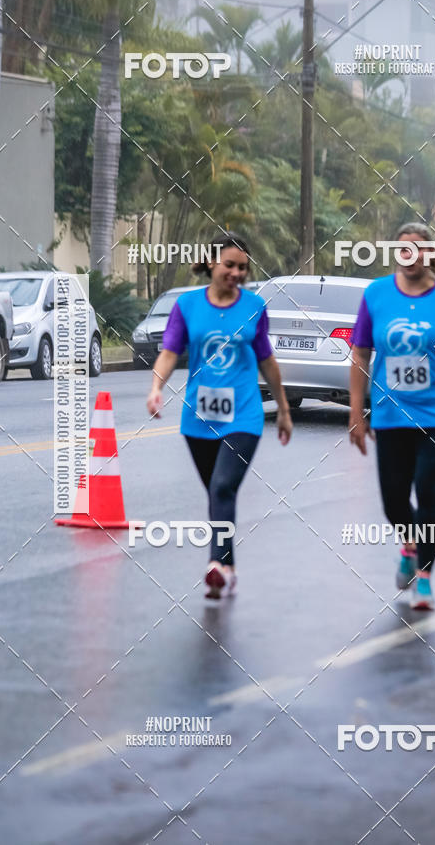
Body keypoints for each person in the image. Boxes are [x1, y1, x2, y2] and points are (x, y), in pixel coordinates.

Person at [146, 232, 293, 598]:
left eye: (243, 267)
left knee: (223, 486)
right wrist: (156, 388)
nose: (236, 273)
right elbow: (169, 352)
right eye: (229, 265)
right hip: (198, 417)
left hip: (243, 415)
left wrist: (285, 409)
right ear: (212, 263)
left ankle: (216, 564)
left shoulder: (254, 307)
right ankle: (228, 566)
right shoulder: (188, 305)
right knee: (216, 494)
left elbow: (267, 361)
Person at [348, 222, 435, 610]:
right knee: (393, 499)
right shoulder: (376, 295)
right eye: (402, 249)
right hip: (391, 412)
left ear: (428, 255)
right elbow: (360, 355)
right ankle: (409, 542)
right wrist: (356, 412)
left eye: (417, 249)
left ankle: (424, 577)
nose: (409, 256)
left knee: (426, 488)